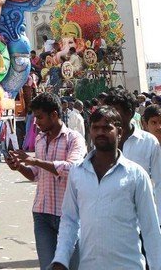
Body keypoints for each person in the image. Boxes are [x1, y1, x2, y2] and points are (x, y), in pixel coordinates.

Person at [51, 106, 161, 270]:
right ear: (90, 131)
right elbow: (70, 220)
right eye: (96, 128)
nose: (100, 132)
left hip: (128, 266)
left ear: (119, 132)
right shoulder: (77, 172)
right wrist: (61, 259)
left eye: (107, 127)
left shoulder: (136, 175)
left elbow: (150, 229)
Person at [6, 92, 86, 270]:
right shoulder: (40, 139)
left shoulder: (74, 139)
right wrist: (19, 166)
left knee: (73, 266)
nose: (36, 122)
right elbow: (36, 174)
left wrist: (35, 161)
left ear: (54, 115)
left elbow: (72, 169)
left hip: (68, 216)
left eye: (40, 117)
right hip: (42, 214)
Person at [106, 88, 161, 223]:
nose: (110, 116)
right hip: (111, 219)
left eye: (115, 110)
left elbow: (159, 183)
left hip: (142, 219)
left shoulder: (148, 142)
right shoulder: (103, 141)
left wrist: (157, 221)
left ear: (129, 113)